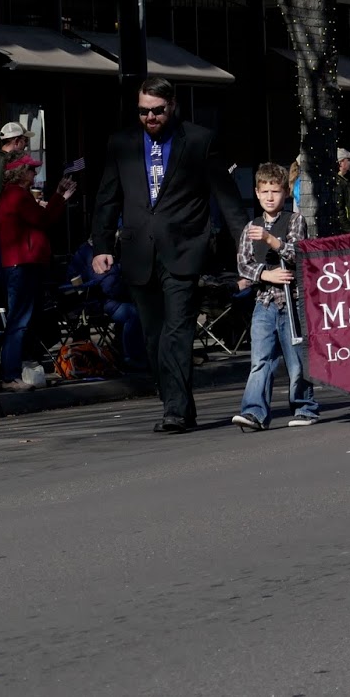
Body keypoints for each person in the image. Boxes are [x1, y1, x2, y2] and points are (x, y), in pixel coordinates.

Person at [90, 76, 249, 432]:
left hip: (184, 250)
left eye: (157, 111)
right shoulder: (122, 143)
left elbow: (226, 197)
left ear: (172, 105)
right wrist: (101, 247)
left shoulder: (199, 140)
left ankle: (174, 411)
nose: (150, 117)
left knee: (177, 331)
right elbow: (107, 197)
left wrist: (245, 248)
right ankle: (177, 402)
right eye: (143, 111)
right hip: (137, 251)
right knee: (153, 335)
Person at [230, 163, 319, 429]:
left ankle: (305, 407)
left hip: (292, 302)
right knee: (260, 360)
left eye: (276, 191)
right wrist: (265, 275)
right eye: (265, 191)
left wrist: (271, 241)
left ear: (286, 193)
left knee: (297, 360)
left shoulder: (294, 220)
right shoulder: (250, 227)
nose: (270, 197)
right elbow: (243, 264)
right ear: (257, 193)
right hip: (264, 302)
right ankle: (254, 412)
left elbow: (297, 254)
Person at [0, 154, 75, 388]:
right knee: (19, 321)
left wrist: (57, 198)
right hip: (23, 263)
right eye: (30, 169)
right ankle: (10, 375)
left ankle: (15, 371)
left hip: (20, 263)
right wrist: (60, 197)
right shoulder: (18, 196)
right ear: (20, 172)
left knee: (22, 319)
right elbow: (43, 219)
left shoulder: (12, 195)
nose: (34, 173)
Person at [70, 241, 145, 371]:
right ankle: (131, 357)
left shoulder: (85, 251)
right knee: (134, 313)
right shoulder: (94, 253)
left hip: (98, 299)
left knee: (140, 308)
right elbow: (110, 286)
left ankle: (124, 348)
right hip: (97, 301)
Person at [0, 121, 30, 308]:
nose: (26, 145)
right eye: (24, 141)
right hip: (0, 235)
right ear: (17, 141)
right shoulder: (3, 163)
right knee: (12, 291)